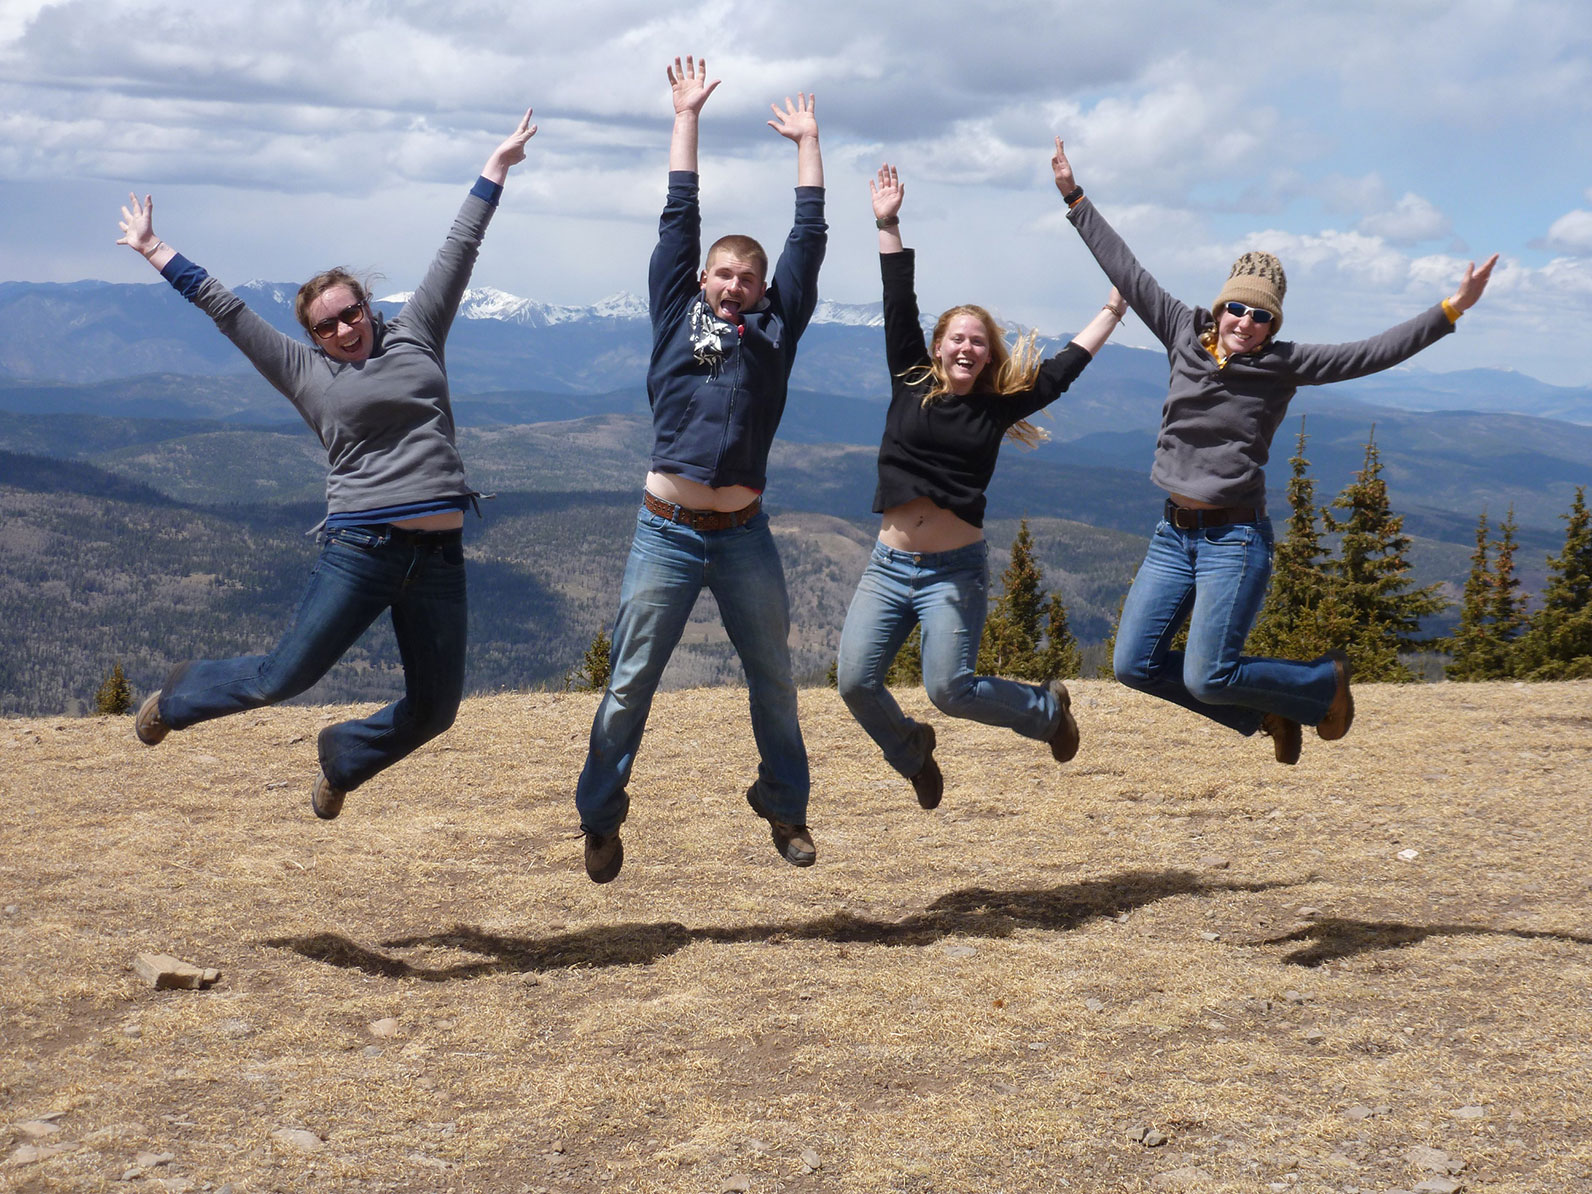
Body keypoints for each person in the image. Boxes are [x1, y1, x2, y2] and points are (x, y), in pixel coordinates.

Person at [120, 110, 538, 819]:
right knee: (283, 676)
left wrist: (494, 169)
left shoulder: (417, 336)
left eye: (352, 314)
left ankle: (344, 757)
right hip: (362, 549)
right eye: (326, 324)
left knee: (437, 708)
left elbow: (458, 249)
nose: (344, 329)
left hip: (438, 556)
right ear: (310, 334)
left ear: (369, 307)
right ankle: (182, 693)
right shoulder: (303, 372)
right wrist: (156, 248)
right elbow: (226, 310)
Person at [1050, 137, 1497, 763]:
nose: (1244, 322)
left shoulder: (1284, 364)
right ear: (1220, 305)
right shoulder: (1181, 328)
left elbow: (1372, 352)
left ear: (1273, 324)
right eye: (1236, 308)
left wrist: (1450, 310)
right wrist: (1074, 196)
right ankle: (1266, 709)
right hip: (1173, 535)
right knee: (1133, 663)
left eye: (1260, 316)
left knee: (1209, 674)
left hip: (1234, 539)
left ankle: (1319, 685)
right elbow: (1127, 269)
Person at [575, 56, 827, 883]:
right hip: (667, 531)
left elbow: (809, 242)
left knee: (774, 681)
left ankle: (784, 807)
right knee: (629, 684)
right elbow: (677, 214)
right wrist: (686, 115)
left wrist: (808, 146)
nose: (737, 285)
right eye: (725, 273)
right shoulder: (671, 312)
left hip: (745, 534)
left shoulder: (778, 332)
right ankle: (600, 817)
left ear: (761, 292)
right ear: (702, 279)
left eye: (749, 279)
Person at [836, 163, 1126, 806]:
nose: (966, 348)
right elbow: (896, 299)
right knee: (854, 681)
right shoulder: (908, 375)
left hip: (952, 572)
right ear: (937, 348)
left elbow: (1061, 371)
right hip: (888, 566)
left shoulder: (997, 407)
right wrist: (887, 223)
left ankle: (1045, 711)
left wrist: (1112, 308)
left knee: (950, 690)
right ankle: (910, 750)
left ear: (988, 355)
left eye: (978, 342)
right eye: (956, 339)